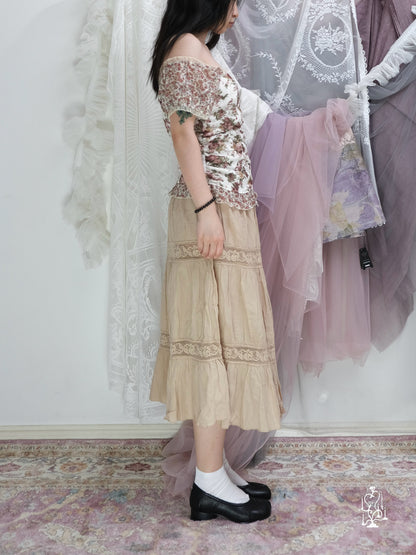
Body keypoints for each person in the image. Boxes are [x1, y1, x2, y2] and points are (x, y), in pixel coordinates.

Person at [149, 0, 285, 523]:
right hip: (212, 209)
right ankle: (207, 482)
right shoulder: (186, 50)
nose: (237, 12)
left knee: (224, 340)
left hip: (226, 206)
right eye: (233, 1)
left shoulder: (195, 48)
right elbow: (183, 132)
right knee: (212, 340)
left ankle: (214, 468)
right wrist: (207, 211)